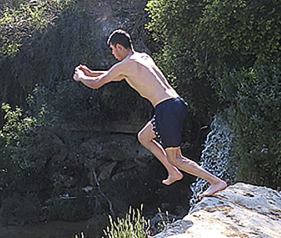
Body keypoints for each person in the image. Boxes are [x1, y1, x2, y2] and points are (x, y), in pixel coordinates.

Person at [73, 29, 228, 199]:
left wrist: (81, 77)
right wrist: (89, 72)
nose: (112, 53)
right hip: (176, 103)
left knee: (176, 158)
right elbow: (114, 76)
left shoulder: (125, 65)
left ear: (119, 46)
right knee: (144, 137)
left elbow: (96, 84)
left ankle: (215, 182)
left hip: (166, 108)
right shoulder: (142, 58)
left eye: (112, 49)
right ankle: (172, 171)